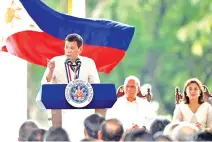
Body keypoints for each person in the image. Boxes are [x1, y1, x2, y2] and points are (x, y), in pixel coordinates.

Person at [41, 33, 103, 141]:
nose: (68, 50)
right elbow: (45, 83)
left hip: (83, 110)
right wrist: (50, 71)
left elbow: (96, 84)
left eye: (72, 48)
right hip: (62, 111)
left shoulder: (89, 62)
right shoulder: (56, 61)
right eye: (66, 47)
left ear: (80, 49)